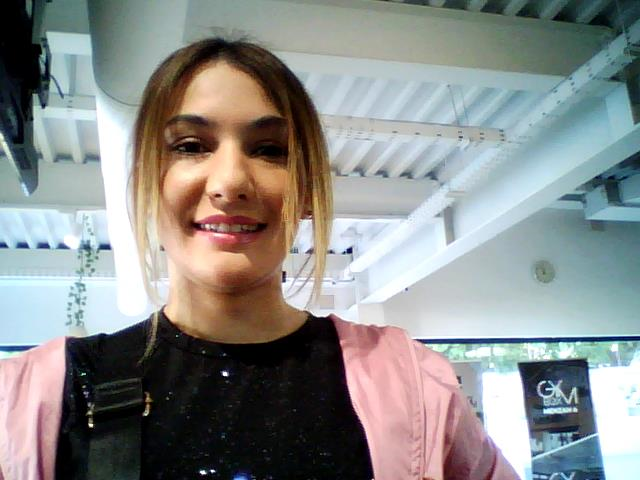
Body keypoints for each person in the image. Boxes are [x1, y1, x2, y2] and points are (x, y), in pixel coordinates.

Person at [0, 38, 520, 480]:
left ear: (308, 190)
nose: (230, 183)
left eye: (270, 150)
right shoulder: (36, 398)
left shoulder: (413, 384)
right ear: (147, 184)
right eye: (190, 145)